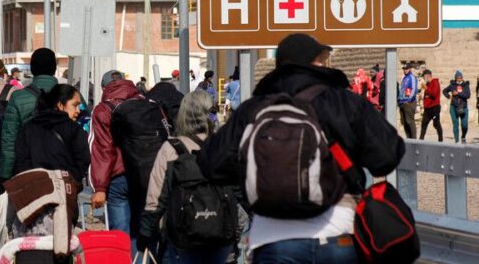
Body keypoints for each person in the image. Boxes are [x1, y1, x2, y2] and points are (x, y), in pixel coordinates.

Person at [199, 33, 404, 263]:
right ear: (314, 63)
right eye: (320, 58)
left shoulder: (253, 108)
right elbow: (387, 156)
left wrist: (260, 171)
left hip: (271, 238)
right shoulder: (343, 102)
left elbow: (211, 164)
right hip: (337, 231)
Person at [138, 90, 232, 264]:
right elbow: (237, 192)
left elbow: (156, 197)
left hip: (183, 238)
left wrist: (145, 232)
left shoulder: (171, 148)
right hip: (220, 236)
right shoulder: (223, 146)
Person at [89, 70, 141, 249]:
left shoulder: (103, 109)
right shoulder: (144, 102)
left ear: (104, 88)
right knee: (140, 232)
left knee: (120, 234)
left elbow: (103, 150)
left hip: (117, 178)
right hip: (144, 175)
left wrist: (100, 187)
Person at [0, 48, 58, 180]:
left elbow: (9, 141)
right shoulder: (70, 96)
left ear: (32, 69)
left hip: (28, 171)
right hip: (62, 171)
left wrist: (5, 175)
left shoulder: (18, 97)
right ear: (54, 69)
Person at [15, 84, 91, 183]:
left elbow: (21, 160)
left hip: (33, 189)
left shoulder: (28, 127)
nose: (78, 110)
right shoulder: (74, 129)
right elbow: (83, 160)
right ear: (60, 105)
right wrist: (70, 179)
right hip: (64, 191)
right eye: (75, 105)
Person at [443, 70, 471, 144]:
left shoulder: (466, 85)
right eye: (458, 77)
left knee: (465, 125)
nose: (459, 79)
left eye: (460, 77)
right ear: (455, 78)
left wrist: (458, 93)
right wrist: (449, 96)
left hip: (463, 107)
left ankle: (463, 137)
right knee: (455, 124)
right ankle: (457, 141)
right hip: (454, 107)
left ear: (462, 77)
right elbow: (444, 91)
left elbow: (467, 95)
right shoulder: (452, 85)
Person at [420, 70, 443, 142]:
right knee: (424, 124)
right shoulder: (427, 84)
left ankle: (440, 140)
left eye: (424, 76)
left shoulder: (435, 82)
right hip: (427, 108)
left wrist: (426, 88)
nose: (423, 78)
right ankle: (421, 140)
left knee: (436, 123)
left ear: (427, 75)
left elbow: (434, 94)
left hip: (434, 107)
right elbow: (427, 95)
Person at [398, 63, 419, 138]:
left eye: (406, 69)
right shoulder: (404, 78)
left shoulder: (412, 77)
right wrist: (399, 100)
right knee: (404, 122)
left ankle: (413, 139)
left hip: (409, 102)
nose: (405, 70)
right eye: (404, 69)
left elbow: (414, 89)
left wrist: (409, 100)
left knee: (410, 121)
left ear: (410, 69)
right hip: (402, 102)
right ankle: (408, 138)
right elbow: (402, 90)